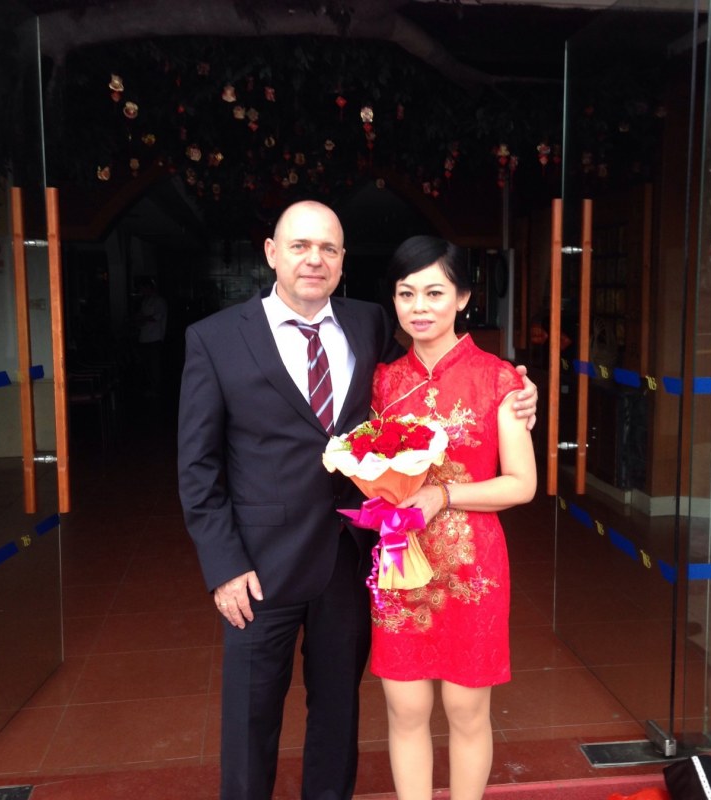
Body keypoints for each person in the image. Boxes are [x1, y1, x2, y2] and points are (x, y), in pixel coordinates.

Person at [176, 200, 538, 800]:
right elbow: (197, 465)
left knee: (339, 712)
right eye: (299, 246)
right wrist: (223, 565)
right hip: (260, 566)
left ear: (343, 261)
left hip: (355, 560)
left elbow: (454, 387)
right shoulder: (215, 339)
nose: (313, 260)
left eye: (328, 249)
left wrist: (520, 391)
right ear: (271, 253)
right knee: (250, 716)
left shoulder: (367, 327)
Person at [369, 235, 537, 800]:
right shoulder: (383, 382)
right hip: (401, 562)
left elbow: (522, 483)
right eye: (406, 293)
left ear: (463, 297)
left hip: (472, 565)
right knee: (405, 708)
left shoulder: (499, 380)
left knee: (466, 710)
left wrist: (442, 496)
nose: (419, 306)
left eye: (435, 292)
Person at [135, 277, 167, 397]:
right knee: (147, 366)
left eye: (143, 288)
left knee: (154, 366)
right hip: (144, 338)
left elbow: (158, 316)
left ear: (148, 288)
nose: (142, 291)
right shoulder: (145, 301)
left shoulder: (159, 301)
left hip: (154, 339)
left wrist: (143, 318)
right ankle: (151, 388)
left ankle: (156, 389)